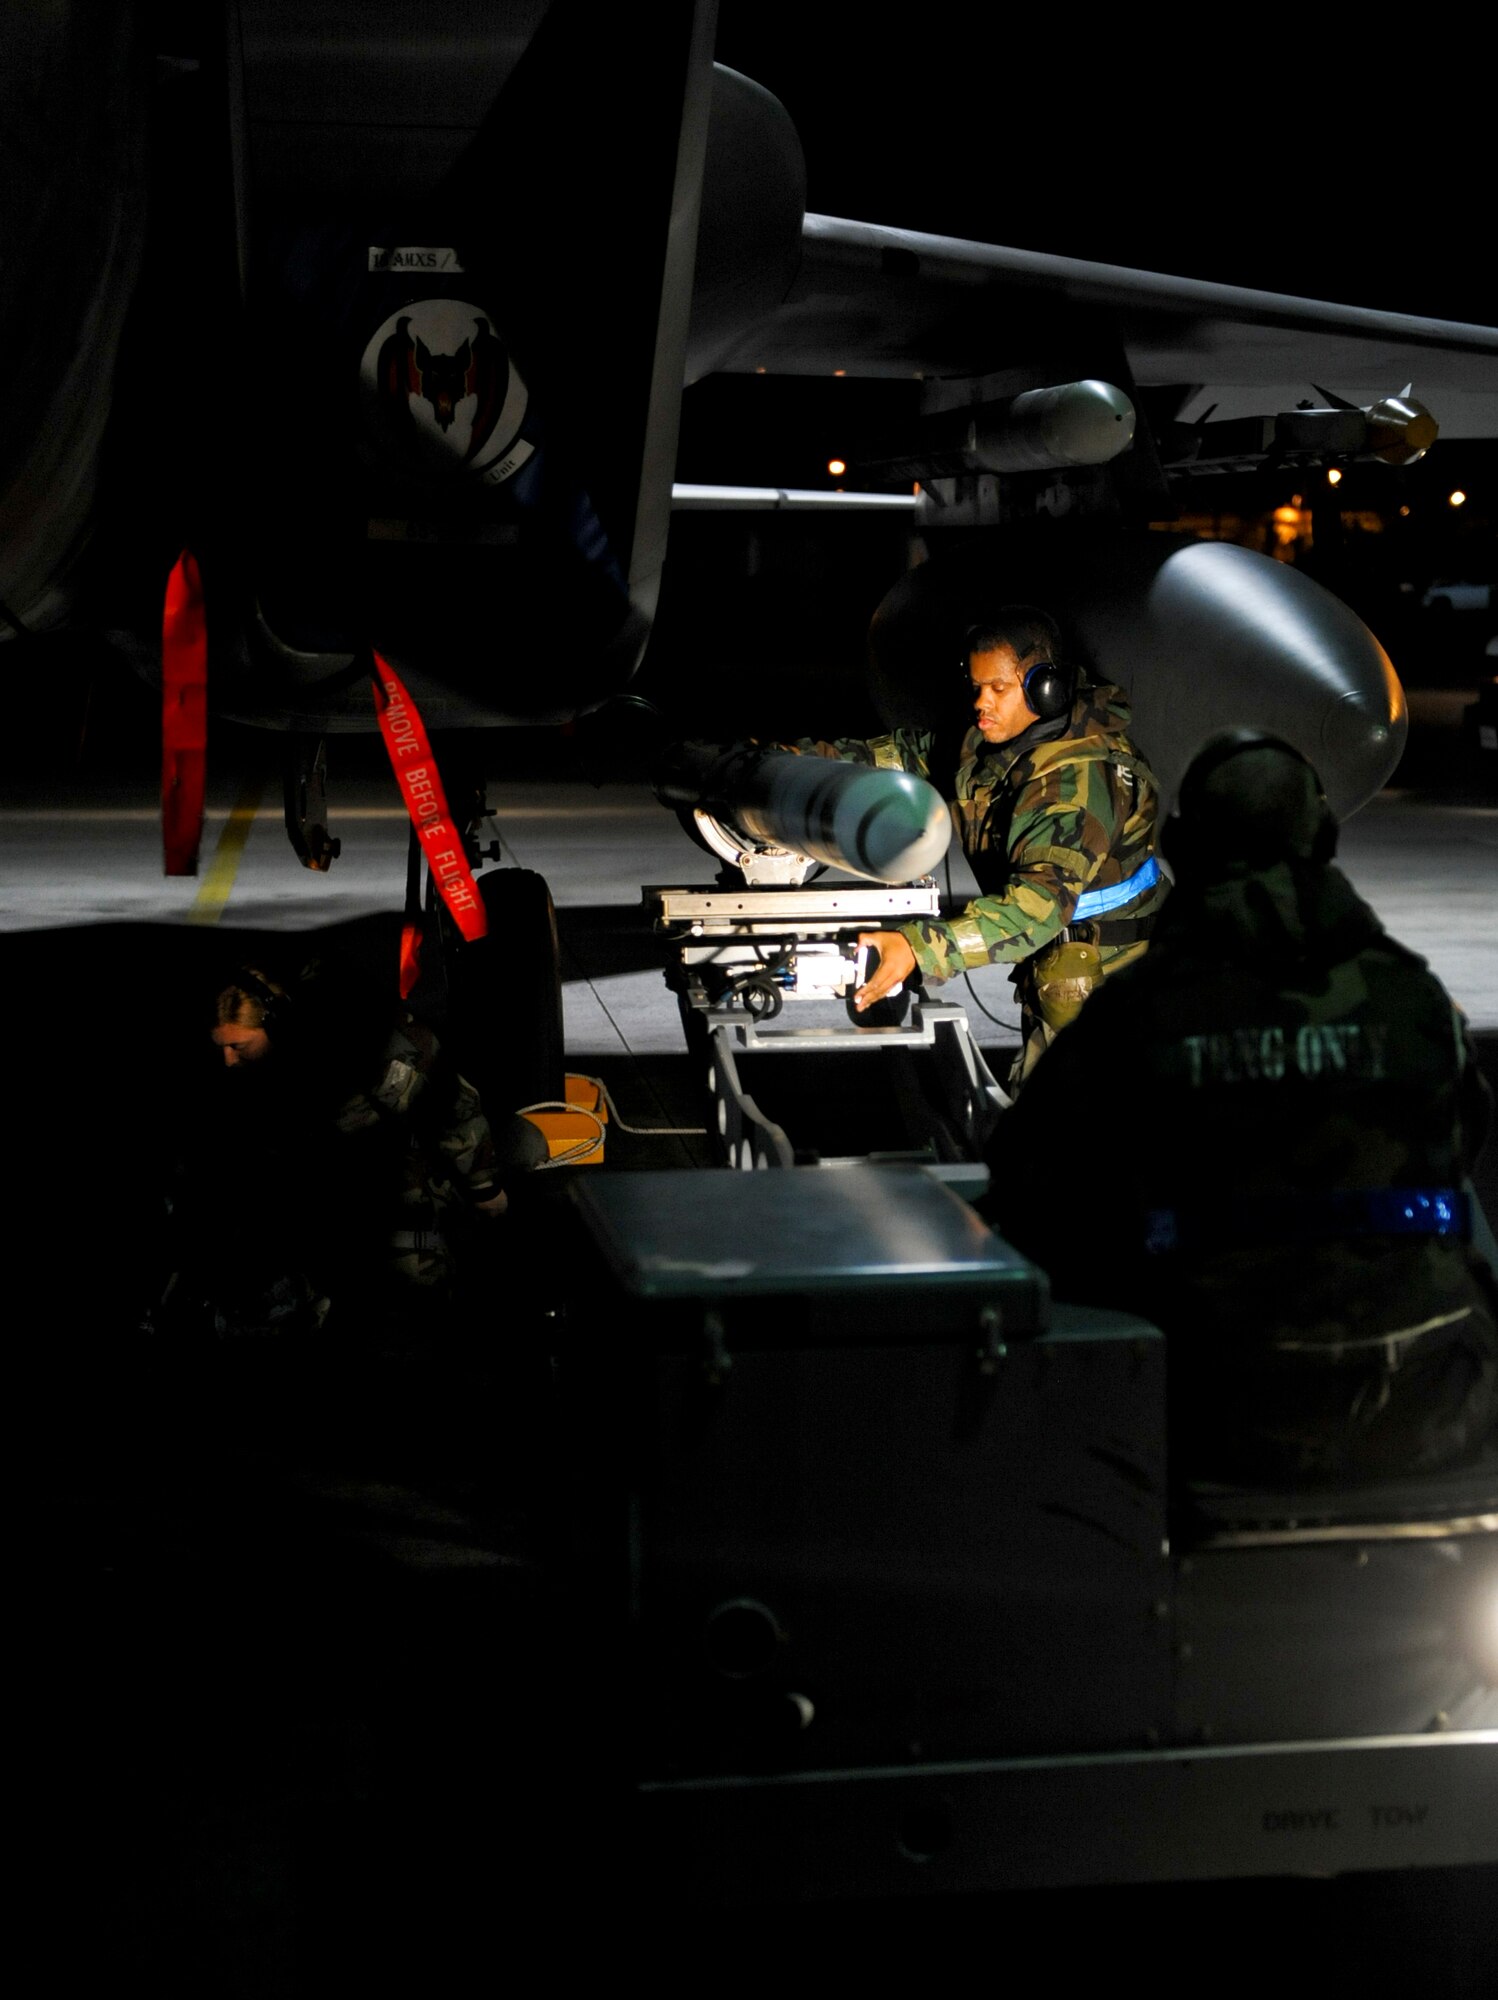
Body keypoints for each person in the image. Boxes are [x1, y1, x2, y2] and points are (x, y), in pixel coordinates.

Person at [981, 728, 1498, 1485]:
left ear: (1184, 849)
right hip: (1425, 1405)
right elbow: (1464, 1142)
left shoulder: (1139, 1012)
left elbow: (1027, 1180)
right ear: (1323, 839)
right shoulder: (1413, 997)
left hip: (1219, 1410)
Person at [784, 605, 1168, 1086]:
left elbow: (1037, 908)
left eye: (998, 689)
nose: (981, 703)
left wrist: (919, 949)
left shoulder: (1073, 786)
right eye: (977, 686)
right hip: (1068, 965)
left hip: (1118, 984)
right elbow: (905, 754)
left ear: (1044, 689)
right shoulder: (1003, 742)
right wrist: (797, 761)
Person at [161, 960, 539, 1341]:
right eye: (222, 1047)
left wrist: (484, 1188)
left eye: (237, 1046)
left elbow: (451, 1107)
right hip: (328, 1175)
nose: (228, 1059)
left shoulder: (356, 1042)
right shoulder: (260, 1066)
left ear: (275, 1025)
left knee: (413, 1274)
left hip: (398, 1164)